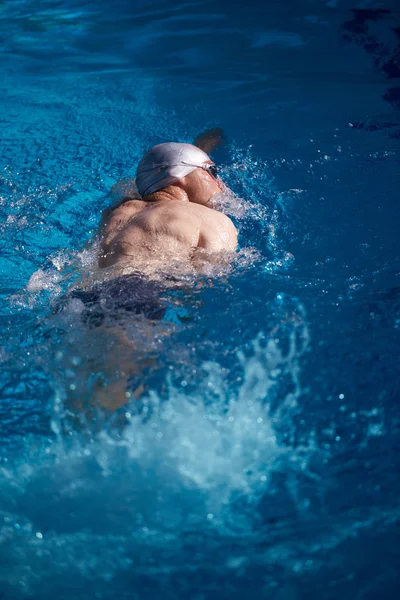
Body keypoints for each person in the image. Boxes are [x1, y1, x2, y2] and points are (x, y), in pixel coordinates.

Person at [97, 133, 238, 277]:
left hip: (88, 294)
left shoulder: (115, 212)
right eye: (212, 171)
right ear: (179, 176)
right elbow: (212, 277)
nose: (221, 184)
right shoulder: (208, 218)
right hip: (143, 293)